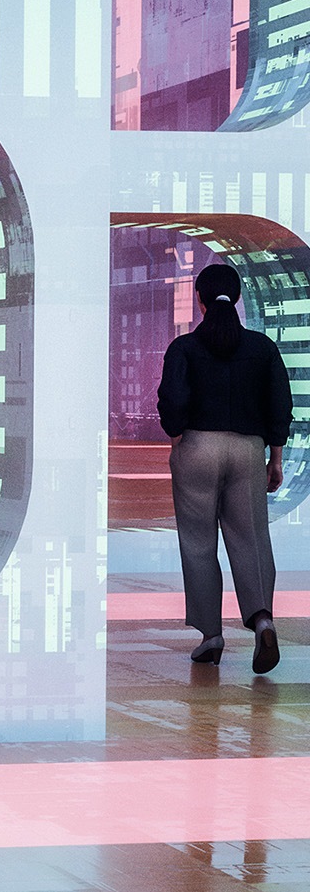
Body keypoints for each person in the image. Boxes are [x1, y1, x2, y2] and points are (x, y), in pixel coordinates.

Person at [158, 260, 292, 674]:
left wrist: (179, 435)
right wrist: (275, 456)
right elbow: (280, 405)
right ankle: (262, 620)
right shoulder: (263, 348)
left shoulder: (184, 347)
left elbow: (172, 402)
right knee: (250, 538)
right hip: (249, 450)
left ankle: (211, 637)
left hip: (198, 445)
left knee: (198, 543)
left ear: (199, 301)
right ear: (237, 298)